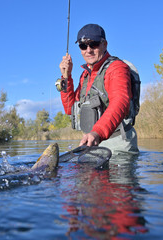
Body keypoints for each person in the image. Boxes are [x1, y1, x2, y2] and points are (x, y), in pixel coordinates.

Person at [58, 23, 139, 154]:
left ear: (104, 44)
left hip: (118, 144)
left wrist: (97, 132)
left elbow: (121, 102)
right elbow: (69, 109)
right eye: (83, 46)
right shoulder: (85, 75)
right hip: (93, 143)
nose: (88, 50)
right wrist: (66, 76)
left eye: (93, 44)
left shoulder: (117, 68)